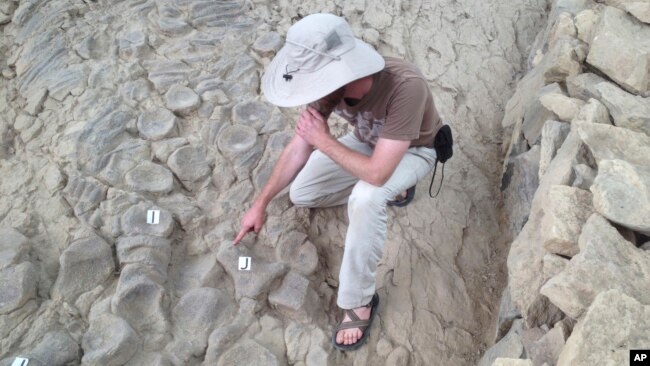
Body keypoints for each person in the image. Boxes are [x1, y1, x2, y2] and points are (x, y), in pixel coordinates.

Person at [233, 13, 443, 350]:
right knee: (302, 192)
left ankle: (359, 300)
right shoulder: (328, 89)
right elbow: (300, 146)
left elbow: (374, 173)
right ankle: (393, 185)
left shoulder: (406, 86)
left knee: (366, 197)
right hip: (369, 143)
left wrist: (325, 140)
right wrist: (260, 204)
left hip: (415, 150)